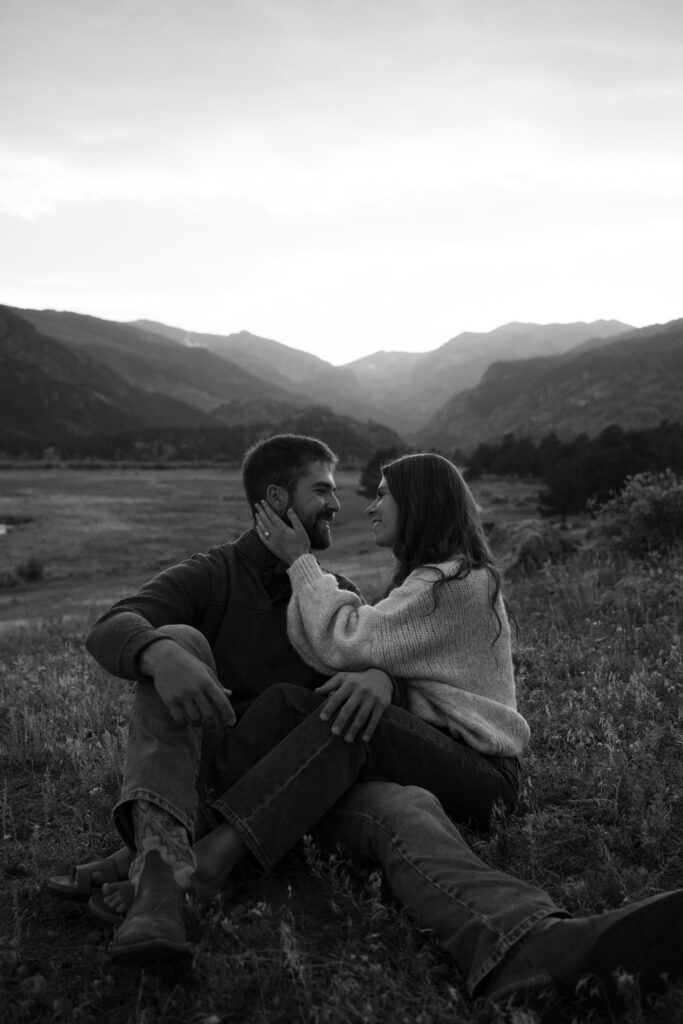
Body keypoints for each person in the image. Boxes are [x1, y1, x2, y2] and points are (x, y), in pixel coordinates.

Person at [48, 434, 683, 1010]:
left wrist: (383, 677)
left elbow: (379, 649)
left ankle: (528, 945)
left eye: (361, 493)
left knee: (404, 808)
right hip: (242, 769)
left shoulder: (337, 590)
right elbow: (113, 624)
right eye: (323, 489)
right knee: (180, 639)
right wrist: (159, 654)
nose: (341, 504)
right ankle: (163, 870)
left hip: (315, 778)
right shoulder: (211, 574)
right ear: (277, 499)